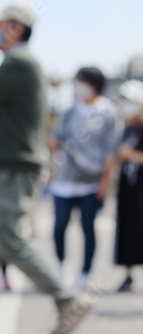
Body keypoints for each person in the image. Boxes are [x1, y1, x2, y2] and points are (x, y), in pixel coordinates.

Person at [0, 3, 90, 334]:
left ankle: (67, 298)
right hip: (4, 167)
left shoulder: (18, 63)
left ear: (16, 29)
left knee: (8, 240)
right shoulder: (18, 64)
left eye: (1, 25)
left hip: (10, 168)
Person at [47, 67, 122, 290]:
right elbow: (54, 140)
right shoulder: (68, 112)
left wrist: (105, 181)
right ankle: (61, 266)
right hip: (64, 180)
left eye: (82, 82)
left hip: (91, 181)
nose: (78, 86)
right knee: (59, 226)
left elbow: (111, 151)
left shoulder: (108, 113)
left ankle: (85, 272)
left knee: (88, 228)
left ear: (94, 84)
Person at [114, 79, 143, 292]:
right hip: (128, 187)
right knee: (128, 229)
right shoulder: (127, 129)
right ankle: (128, 274)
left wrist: (130, 155)